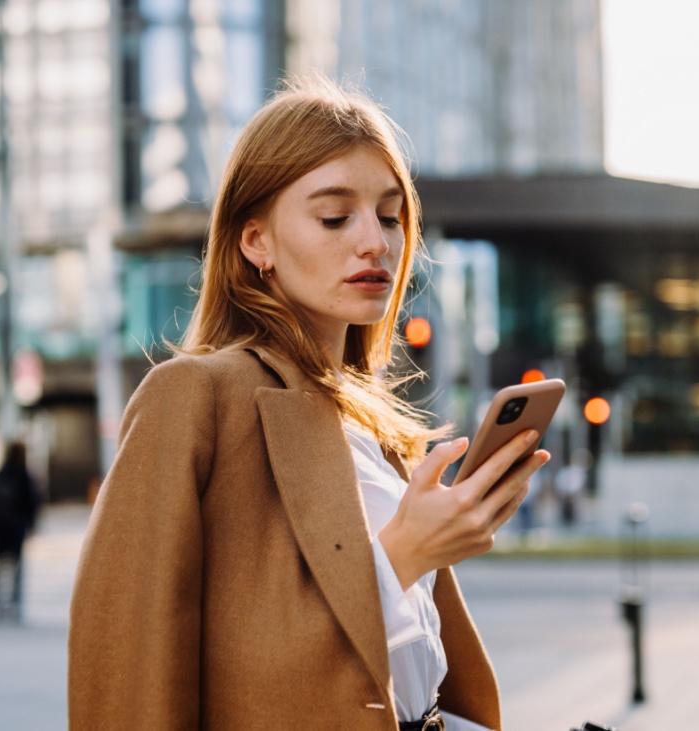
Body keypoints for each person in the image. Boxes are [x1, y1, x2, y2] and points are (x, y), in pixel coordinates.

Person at [68, 77, 549, 730]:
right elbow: (136, 676)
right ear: (255, 241)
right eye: (334, 217)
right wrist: (405, 552)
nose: (375, 241)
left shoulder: (369, 425)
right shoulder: (194, 399)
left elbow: (420, 682)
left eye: (390, 215)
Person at [0, 441, 41, 623]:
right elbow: (32, 502)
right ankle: (14, 604)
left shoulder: (1, 473)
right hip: (16, 527)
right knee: (16, 566)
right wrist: (32, 524)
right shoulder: (23, 475)